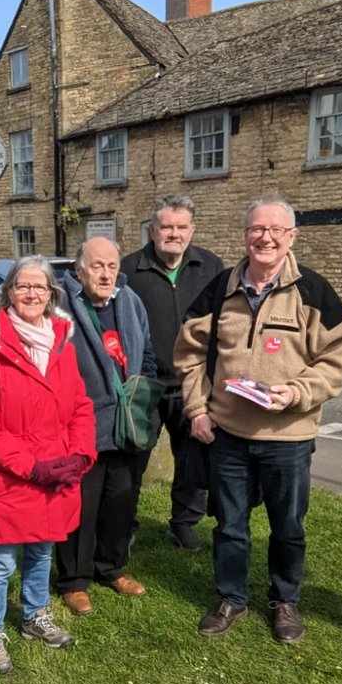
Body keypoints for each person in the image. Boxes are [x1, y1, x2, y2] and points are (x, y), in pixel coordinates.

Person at [175, 195, 342, 644]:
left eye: (277, 230)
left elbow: (336, 358)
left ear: (292, 237)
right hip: (229, 435)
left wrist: (297, 392)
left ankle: (285, 600)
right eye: (257, 229)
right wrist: (197, 409)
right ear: (245, 235)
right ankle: (232, 598)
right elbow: (189, 353)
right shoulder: (220, 289)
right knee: (230, 525)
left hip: (288, 437)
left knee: (288, 527)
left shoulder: (313, 291)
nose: (266, 238)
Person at [0, 256, 96, 673]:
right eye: (23, 286)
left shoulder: (61, 345)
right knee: (0, 562)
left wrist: (80, 454)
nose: (32, 294)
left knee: (42, 552)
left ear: (52, 295)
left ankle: (35, 615)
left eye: (40, 287)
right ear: (9, 293)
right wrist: (32, 466)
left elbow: (80, 407)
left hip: (55, 473)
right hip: (10, 476)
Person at [55, 237, 158, 615]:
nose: (105, 273)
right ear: (79, 269)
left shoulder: (129, 301)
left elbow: (146, 352)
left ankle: (111, 568)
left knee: (121, 501)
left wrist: (141, 393)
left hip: (128, 422)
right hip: (82, 424)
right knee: (80, 506)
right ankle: (73, 580)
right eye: (97, 266)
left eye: (111, 266)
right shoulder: (62, 305)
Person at [121, 194, 223, 551]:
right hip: (144, 381)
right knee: (132, 457)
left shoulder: (211, 267)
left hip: (192, 383)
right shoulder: (129, 269)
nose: (174, 234)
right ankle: (125, 523)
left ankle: (183, 523)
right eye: (167, 227)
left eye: (182, 227)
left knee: (193, 459)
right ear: (152, 230)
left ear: (192, 231)